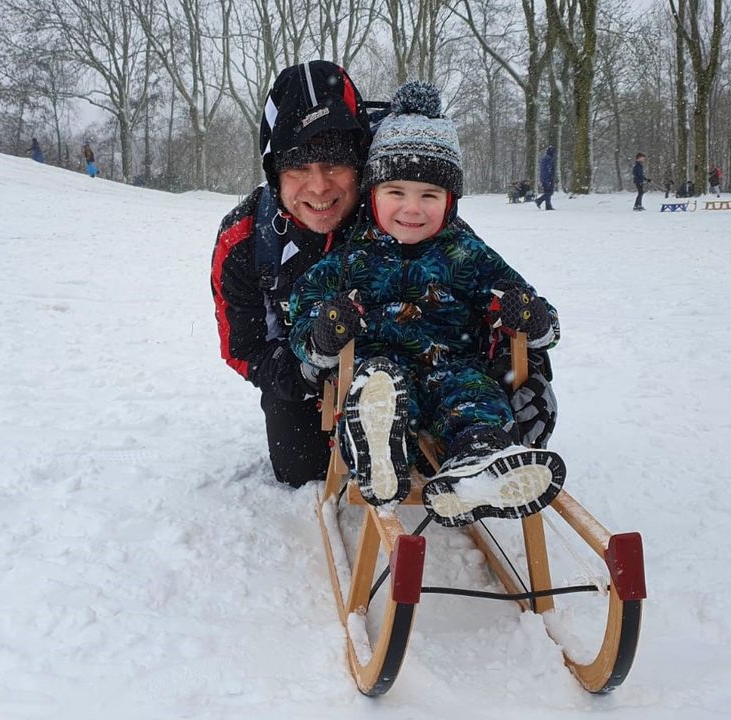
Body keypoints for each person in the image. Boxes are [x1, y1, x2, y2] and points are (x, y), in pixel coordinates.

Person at [288, 81, 564, 527]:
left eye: (429, 195)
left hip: (454, 367)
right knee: (378, 391)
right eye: (396, 192)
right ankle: (381, 451)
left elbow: (535, 310)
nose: (412, 209)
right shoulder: (349, 258)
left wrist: (530, 317)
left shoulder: (466, 253)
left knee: (476, 397)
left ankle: (478, 462)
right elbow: (304, 314)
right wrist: (324, 332)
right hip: (380, 370)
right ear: (373, 194)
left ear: (450, 200)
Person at [210, 60, 372, 489]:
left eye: (335, 164)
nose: (318, 187)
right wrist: (304, 370)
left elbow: (470, 276)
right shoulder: (244, 239)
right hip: (302, 375)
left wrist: (519, 357)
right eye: (298, 168)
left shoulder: (400, 208)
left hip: (406, 365)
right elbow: (243, 347)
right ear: (274, 172)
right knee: (301, 470)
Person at [535, 145, 556, 210]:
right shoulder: (549, 159)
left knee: (547, 192)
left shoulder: (545, 158)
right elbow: (549, 169)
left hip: (544, 178)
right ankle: (539, 200)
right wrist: (551, 177)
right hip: (547, 178)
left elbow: (544, 169)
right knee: (549, 192)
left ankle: (548, 206)